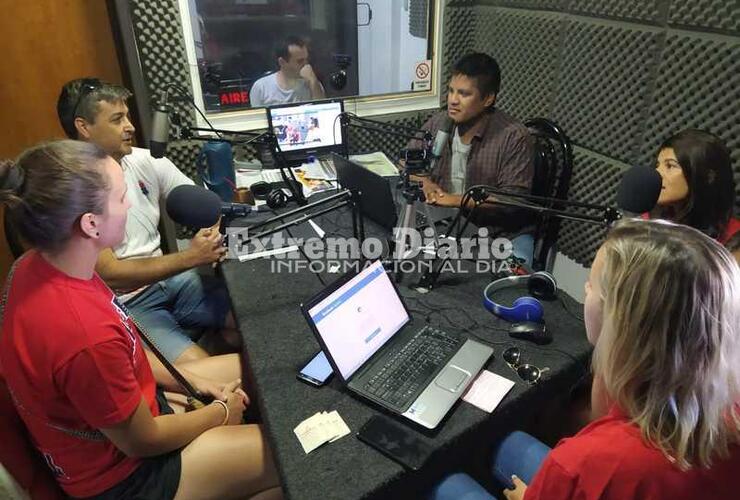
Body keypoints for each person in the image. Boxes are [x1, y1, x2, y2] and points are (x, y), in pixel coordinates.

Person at [0, 140, 282, 499]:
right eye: (120, 198)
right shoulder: (83, 332)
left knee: (261, 369)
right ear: (90, 224)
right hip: (126, 478)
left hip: (129, 422)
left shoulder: (39, 265)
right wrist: (218, 412)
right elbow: (142, 441)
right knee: (287, 456)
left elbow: (127, 354)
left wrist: (192, 382)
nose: (130, 204)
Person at [429, 219, 740, 499]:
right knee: (508, 441)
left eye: (593, 284)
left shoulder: (581, 463)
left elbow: (585, 472)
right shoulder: (729, 417)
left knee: (445, 483)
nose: (585, 289)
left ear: (621, 320)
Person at [56, 78, 239, 365]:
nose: (130, 126)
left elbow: (207, 210)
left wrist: (212, 234)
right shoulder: (73, 190)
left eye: (127, 116)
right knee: (213, 378)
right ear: (84, 127)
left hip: (174, 282)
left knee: (250, 326)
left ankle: (218, 337)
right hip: (129, 305)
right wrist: (190, 257)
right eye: (117, 120)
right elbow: (111, 273)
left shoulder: (148, 161)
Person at [409, 52, 535, 262]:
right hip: (451, 225)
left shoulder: (514, 137)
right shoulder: (440, 121)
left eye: (464, 94)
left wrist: (455, 201)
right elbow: (408, 162)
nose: (452, 100)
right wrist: (425, 182)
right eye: (451, 91)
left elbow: (511, 200)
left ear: (488, 99)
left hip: (500, 235)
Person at [649, 129, 739, 253]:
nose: (657, 174)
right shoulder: (648, 219)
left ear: (708, 176)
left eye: (670, 166)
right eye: (657, 165)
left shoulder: (734, 238)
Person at [250, 36, 325, 107]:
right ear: (282, 62)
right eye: (300, 61)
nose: (306, 65)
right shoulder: (261, 87)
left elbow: (323, 112)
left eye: (306, 59)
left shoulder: (313, 83)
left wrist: (313, 82)